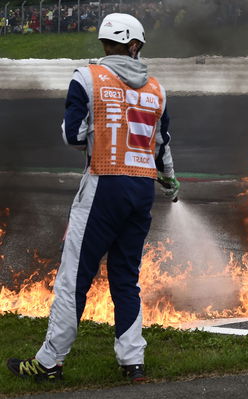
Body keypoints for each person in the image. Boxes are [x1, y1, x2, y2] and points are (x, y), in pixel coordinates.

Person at [6, 13, 179, 383]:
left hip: (103, 184)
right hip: (143, 188)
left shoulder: (87, 77)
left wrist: (97, 130)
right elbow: (161, 143)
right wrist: (170, 179)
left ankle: (50, 362)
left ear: (105, 44)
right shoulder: (157, 89)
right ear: (134, 46)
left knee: (74, 278)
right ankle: (133, 362)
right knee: (126, 277)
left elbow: (72, 136)